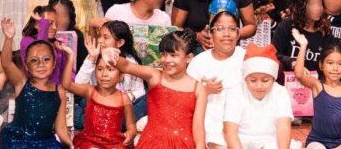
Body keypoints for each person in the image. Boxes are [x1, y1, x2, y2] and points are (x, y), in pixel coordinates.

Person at [105, 30, 208, 149]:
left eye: (173, 55)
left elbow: (198, 126)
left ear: (189, 57)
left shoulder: (198, 88)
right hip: (152, 143)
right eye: (163, 54)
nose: (166, 60)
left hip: (183, 144)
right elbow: (126, 66)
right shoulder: (155, 76)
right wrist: (109, 53)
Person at [0, 18, 72, 148]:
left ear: (54, 63)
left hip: (45, 142)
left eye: (46, 59)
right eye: (34, 60)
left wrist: (70, 145)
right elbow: (6, 63)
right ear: (26, 66)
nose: (40, 64)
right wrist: (9, 39)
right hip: (18, 141)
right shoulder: (22, 83)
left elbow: (61, 128)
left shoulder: (59, 91)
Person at [186, 8, 246, 148]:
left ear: (238, 34)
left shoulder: (247, 58)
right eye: (219, 29)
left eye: (232, 29)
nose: (226, 34)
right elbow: (184, 97)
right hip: (210, 122)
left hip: (243, 122)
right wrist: (203, 90)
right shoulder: (199, 62)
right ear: (211, 34)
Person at [290, 32, 341, 149]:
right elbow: (299, 74)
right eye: (330, 63)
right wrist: (303, 46)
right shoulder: (317, 86)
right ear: (321, 65)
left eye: (340, 64)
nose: (335, 68)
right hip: (316, 142)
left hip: (339, 144)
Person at [60, 42, 136, 149]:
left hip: (114, 143)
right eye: (99, 69)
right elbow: (66, 84)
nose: (104, 74)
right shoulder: (90, 91)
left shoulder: (124, 98)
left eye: (110, 69)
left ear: (121, 75)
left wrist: (131, 133)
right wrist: (71, 57)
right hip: (90, 141)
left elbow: (131, 124)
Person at [223, 43, 295, 149]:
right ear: (245, 78)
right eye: (253, 80)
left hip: (272, 141)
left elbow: (283, 127)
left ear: (273, 79)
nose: (259, 86)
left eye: (265, 80)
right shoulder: (235, 92)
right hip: (241, 140)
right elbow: (230, 131)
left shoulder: (280, 92)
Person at [75, 20, 147, 125]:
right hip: (97, 103)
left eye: (105, 37)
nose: (100, 40)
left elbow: (140, 91)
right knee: (79, 103)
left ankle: (105, 123)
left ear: (120, 43)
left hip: (123, 106)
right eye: (99, 36)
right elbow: (78, 86)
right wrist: (91, 58)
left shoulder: (129, 61)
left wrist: (126, 98)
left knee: (146, 101)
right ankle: (104, 122)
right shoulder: (95, 55)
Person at [272, 0, 334, 76]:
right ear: (301, 6)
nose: (317, 8)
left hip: (314, 80)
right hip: (288, 78)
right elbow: (274, 53)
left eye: (320, 3)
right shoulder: (287, 26)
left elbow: (329, 60)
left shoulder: (325, 31)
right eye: (312, 4)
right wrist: (292, 62)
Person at [20, 6, 69, 85]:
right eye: (50, 23)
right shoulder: (26, 41)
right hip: (35, 89)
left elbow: (66, 73)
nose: (55, 27)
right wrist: (44, 25)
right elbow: (40, 51)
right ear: (36, 25)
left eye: (56, 24)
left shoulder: (58, 45)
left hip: (56, 90)